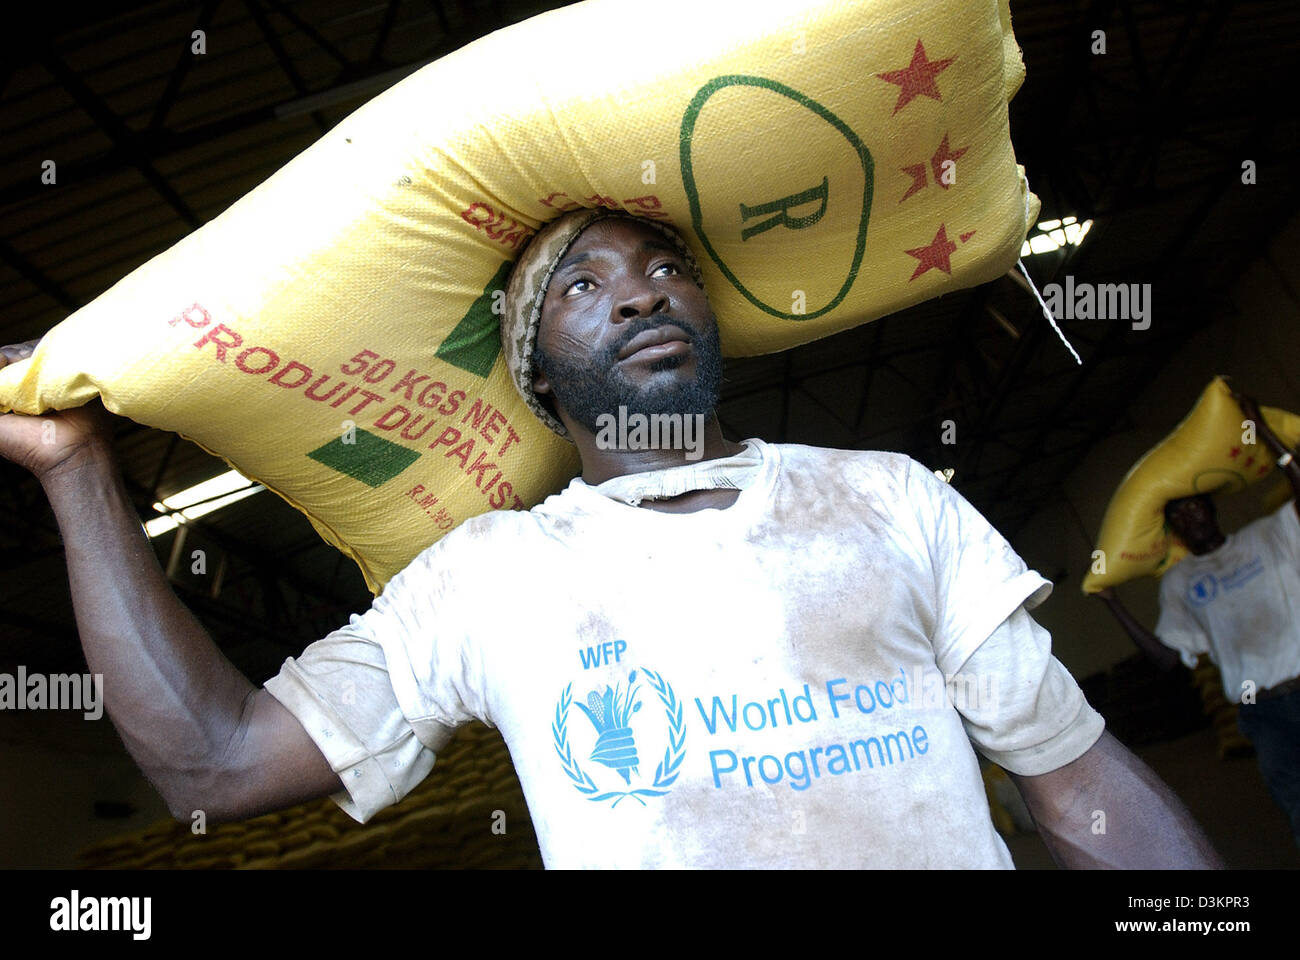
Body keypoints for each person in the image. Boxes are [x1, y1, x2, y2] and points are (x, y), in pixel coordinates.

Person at [0, 208, 1223, 868]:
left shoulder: (886, 497)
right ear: (536, 371)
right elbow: (213, 764)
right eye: (582, 287)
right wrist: (74, 472)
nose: (642, 292)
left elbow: (1073, 788)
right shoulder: (489, 579)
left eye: (665, 268)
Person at [1097, 396, 1300, 849]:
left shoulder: (1270, 535)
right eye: (1179, 517)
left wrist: (1260, 430)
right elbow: (1170, 659)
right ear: (1175, 533)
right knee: (1295, 803)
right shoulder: (1181, 582)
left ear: (1212, 508)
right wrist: (1112, 603)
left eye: (1195, 508)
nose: (1190, 518)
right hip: (1261, 713)